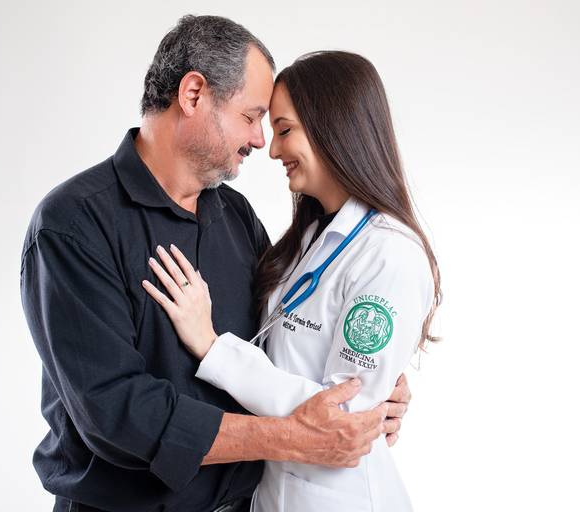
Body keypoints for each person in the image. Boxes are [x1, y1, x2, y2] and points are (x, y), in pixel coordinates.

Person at [20, 16, 412, 512]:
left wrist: (370, 389)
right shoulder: (74, 224)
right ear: (193, 94)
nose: (260, 141)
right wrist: (293, 436)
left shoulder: (237, 217)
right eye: (251, 116)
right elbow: (115, 413)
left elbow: (284, 340)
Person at [143, 51, 442, 511]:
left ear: (332, 127)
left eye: (284, 130)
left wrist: (212, 347)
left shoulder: (389, 254)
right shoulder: (308, 240)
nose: (272, 149)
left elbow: (341, 415)